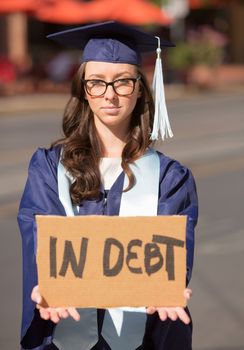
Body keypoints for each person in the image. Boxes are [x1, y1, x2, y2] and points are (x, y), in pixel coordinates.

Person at [18, 21, 198, 350]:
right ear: (83, 90)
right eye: (97, 83)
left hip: (142, 338)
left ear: (140, 87)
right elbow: (39, 236)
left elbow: (173, 251)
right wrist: (44, 285)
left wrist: (169, 286)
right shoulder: (49, 167)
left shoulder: (169, 178)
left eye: (123, 82)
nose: (110, 94)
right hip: (65, 335)